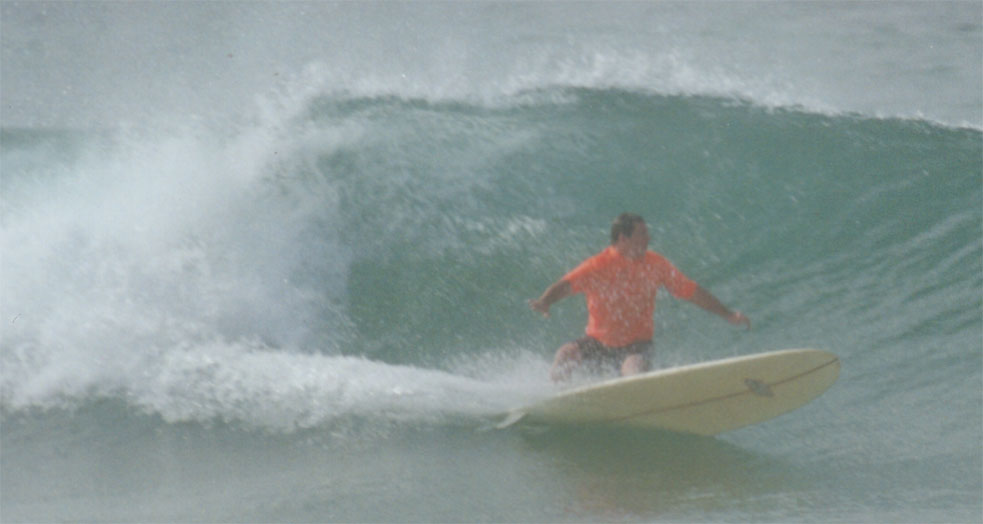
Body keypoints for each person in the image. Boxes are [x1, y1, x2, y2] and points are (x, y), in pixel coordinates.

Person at [529, 213, 750, 381]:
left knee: (633, 367)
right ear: (623, 238)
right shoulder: (597, 266)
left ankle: (635, 396)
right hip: (598, 342)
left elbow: (692, 292)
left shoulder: (656, 264)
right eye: (642, 234)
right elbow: (565, 285)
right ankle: (555, 398)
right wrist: (545, 301)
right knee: (566, 353)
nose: (648, 238)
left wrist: (727, 313)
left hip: (636, 344)